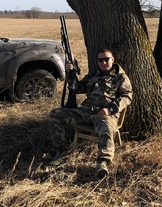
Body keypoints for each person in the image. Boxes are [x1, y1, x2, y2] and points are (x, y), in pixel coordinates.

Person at [48, 48, 133, 178]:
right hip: (86, 111)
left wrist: (110, 109)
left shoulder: (120, 77)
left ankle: (102, 163)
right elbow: (77, 88)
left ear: (112, 60)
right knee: (55, 114)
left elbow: (127, 96)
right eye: (100, 60)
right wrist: (70, 73)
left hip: (105, 113)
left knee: (106, 128)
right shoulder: (94, 75)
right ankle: (62, 152)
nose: (104, 63)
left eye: (106, 59)